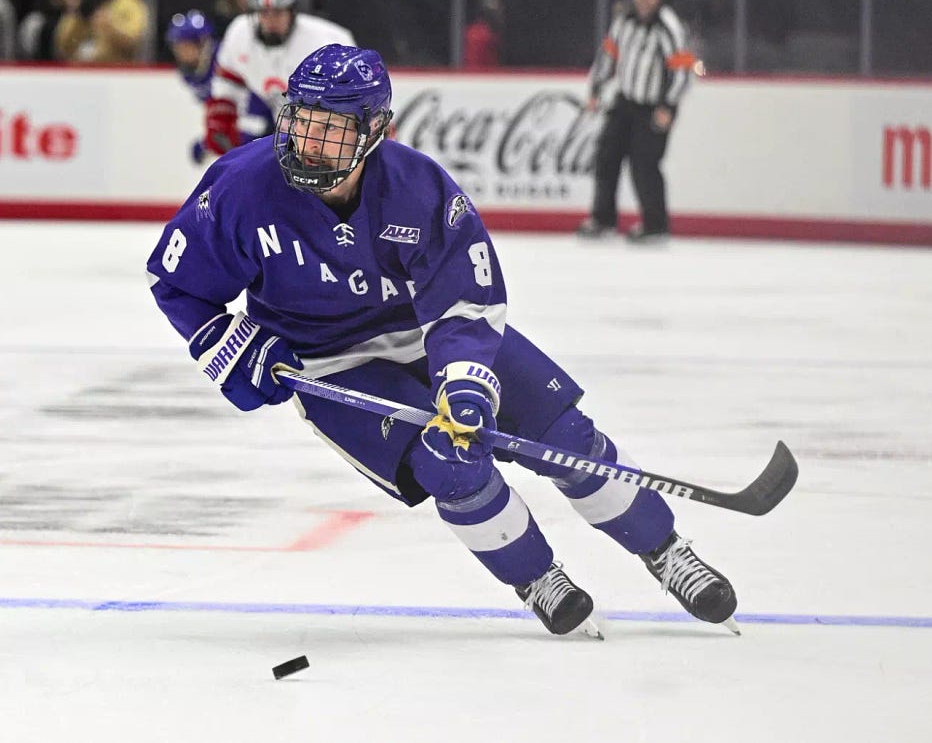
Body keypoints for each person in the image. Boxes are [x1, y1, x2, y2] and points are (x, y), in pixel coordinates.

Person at [145, 44, 737, 637]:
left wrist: (464, 380)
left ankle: (666, 551)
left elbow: (463, 298)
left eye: (331, 129)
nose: (309, 142)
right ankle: (538, 576)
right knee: (448, 464)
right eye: (302, 121)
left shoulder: (417, 188)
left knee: (565, 437)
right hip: (327, 365)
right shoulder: (242, 187)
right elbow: (175, 281)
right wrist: (232, 345)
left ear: (375, 131)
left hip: (425, 335)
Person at [579, 0, 695, 243]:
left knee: (645, 165)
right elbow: (608, 56)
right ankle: (603, 219)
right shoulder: (624, 21)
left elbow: (682, 71)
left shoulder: (669, 26)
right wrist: (596, 88)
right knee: (607, 157)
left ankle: (656, 224)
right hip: (625, 101)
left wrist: (668, 106)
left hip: (654, 107)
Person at [205, 0, 353, 156]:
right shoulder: (239, 33)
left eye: (278, 11)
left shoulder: (328, 43)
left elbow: (358, 99)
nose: (270, 20)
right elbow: (228, 81)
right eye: (264, 12)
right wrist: (222, 116)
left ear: (292, 10)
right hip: (286, 130)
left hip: (327, 136)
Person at [165, 9, 273, 162]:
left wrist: (226, 138)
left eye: (185, 45)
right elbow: (220, 110)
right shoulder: (192, 73)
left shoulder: (226, 59)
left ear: (201, 42)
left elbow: (258, 106)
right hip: (248, 130)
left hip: (269, 121)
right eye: (177, 47)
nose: (180, 52)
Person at [462, 0, 504, 70]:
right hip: (479, 77)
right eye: (494, 13)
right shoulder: (478, 34)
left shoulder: (488, 33)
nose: (498, 16)